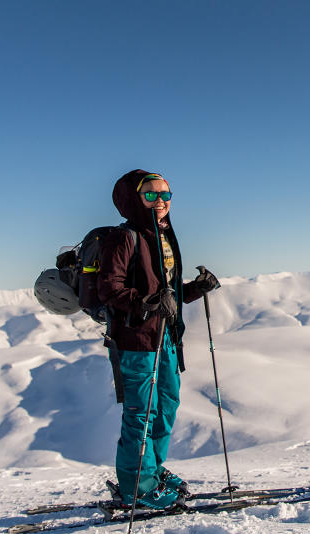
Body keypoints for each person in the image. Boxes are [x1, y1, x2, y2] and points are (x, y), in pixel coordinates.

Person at [97, 169, 219, 509]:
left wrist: (196, 289)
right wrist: (145, 303)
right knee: (141, 412)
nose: (161, 201)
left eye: (166, 194)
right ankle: (137, 486)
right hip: (136, 340)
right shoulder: (125, 238)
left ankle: (152, 469)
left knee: (166, 405)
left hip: (165, 337)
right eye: (151, 195)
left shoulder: (163, 235)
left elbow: (166, 293)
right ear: (134, 199)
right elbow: (110, 288)